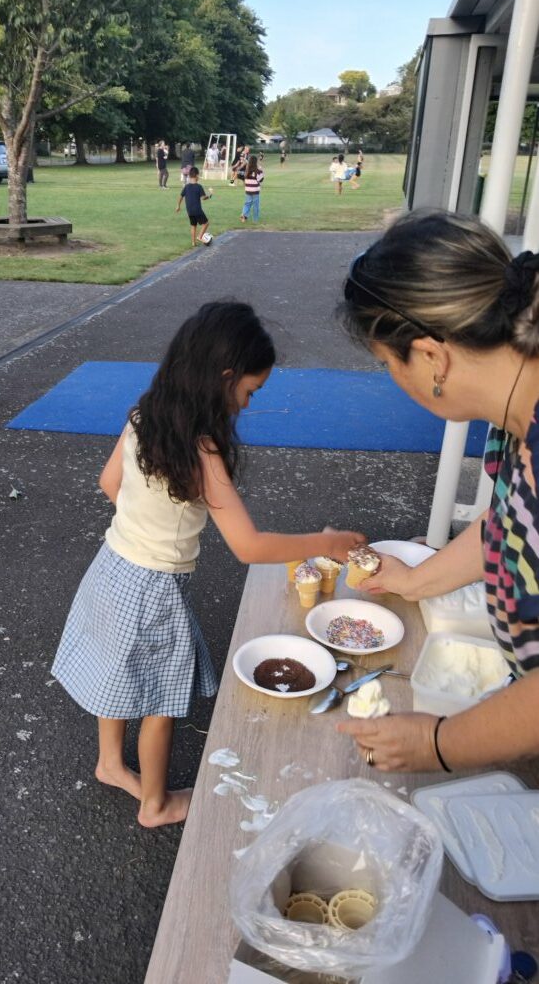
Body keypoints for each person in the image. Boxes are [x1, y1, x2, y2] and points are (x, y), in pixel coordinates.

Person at [52, 302, 366, 826]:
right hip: (153, 589)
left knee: (118, 670)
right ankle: (155, 804)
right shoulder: (201, 450)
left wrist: (145, 525)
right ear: (224, 378)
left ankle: (110, 763)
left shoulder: (143, 415)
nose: (247, 403)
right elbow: (249, 546)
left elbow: (110, 484)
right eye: (250, 391)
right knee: (159, 699)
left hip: (112, 565)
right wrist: (326, 542)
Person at [336, 208, 539, 773]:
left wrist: (439, 743)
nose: (394, 379)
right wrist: (415, 580)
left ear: (431, 356)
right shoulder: (518, 416)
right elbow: (509, 521)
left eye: (388, 364)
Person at [175, 166, 212, 246]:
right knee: (206, 223)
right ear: (197, 176)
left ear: (189, 175)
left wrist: (178, 206)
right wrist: (210, 195)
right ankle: (200, 236)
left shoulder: (186, 186)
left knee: (193, 225)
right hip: (197, 210)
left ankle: (193, 242)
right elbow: (203, 198)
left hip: (189, 211)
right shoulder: (199, 187)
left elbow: (181, 196)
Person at [240, 155, 264, 223]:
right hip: (255, 190)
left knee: (247, 204)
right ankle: (255, 220)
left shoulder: (247, 170)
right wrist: (261, 170)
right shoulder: (258, 170)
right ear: (256, 162)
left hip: (248, 189)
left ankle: (243, 214)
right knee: (256, 206)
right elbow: (261, 179)